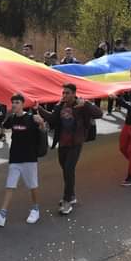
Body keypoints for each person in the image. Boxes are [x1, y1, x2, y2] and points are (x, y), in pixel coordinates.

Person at [38, 83, 104, 215]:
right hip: (62, 143)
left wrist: (86, 104)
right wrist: (38, 108)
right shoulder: (60, 105)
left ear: (74, 93)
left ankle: (67, 201)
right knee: (66, 170)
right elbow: (52, 118)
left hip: (76, 143)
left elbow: (99, 113)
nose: (64, 95)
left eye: (67, 93)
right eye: (63, 93)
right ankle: (72, 195)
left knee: (68, 169)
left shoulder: (81, 105)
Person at [0, 94, 47, 227]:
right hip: (15, 158)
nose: (14, 105)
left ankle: (35, 209)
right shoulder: (12, 118)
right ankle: (2, 215)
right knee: (10, 186)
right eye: (13, 102)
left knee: (32, 186)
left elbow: (42, 131)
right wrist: (4, 113)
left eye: (17, 102)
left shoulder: (31, 118)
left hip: (29, 158)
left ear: (23, 104)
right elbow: (2, 125)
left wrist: (41, 122)